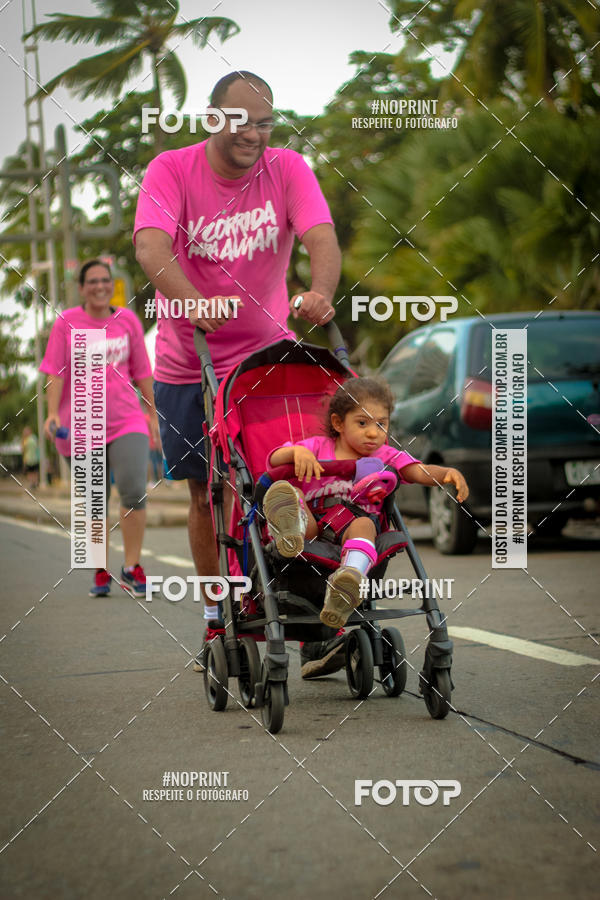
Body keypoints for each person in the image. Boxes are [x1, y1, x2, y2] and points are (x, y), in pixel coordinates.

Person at [133, 71, 341, 660]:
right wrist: (193, 303)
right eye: (241, 120)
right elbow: (151, 245)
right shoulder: (171, 170)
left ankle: (305, 612)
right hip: (187, 364)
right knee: (207, 493)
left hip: (263, 367)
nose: (253, 133)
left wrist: (321, 290)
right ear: (212, 119)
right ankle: (214, 616)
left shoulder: (287, 169)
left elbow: (320, 237)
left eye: (264, 122)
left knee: (291, 479)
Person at [263, 377, 469, 677]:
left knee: (363, 524)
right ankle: (287, 529)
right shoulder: (318, 447)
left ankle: (350, 579)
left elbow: (416, 470)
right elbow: (272, 460)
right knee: (291, 495)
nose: (374, 433)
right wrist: (295, 454)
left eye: (381, 425)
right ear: (338, 422)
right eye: (362, 423)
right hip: (315, 527)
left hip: (354, 525)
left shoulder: (384, 457)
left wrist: (446, 473)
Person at [40, 259, 160, 598]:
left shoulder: (127, 320)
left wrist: (151, 414)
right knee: (94, 503)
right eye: (92, 281)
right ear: (81, 288)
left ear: (112, 285)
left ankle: (133, 566)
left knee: (134, 490)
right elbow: (54, 372)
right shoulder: (67, 323)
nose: (99, 286)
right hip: (82, 424)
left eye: (105, 280)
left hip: (127, 420)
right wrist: (52, 414)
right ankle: (100, 569)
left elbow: (142, 371)